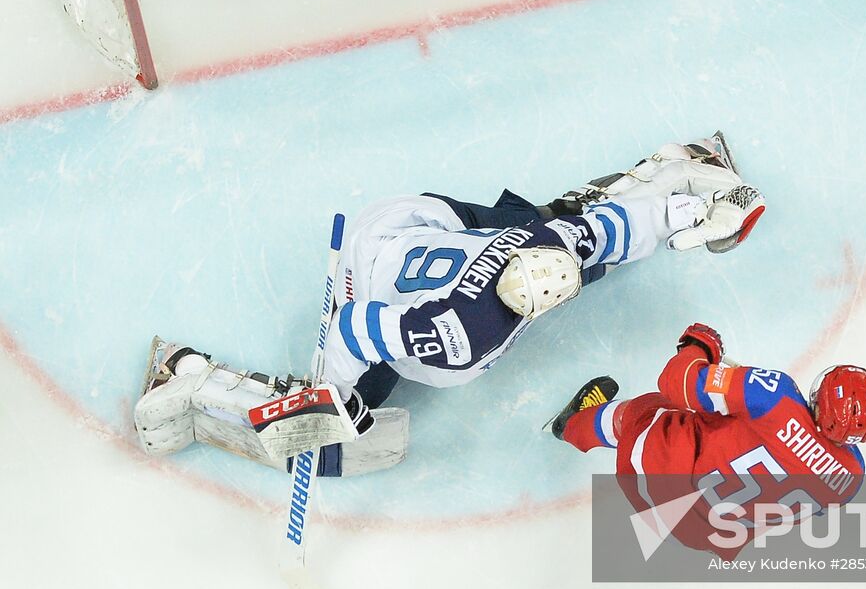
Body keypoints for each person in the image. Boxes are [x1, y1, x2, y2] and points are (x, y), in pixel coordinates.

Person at [133, 134, 765, 476]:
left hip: (430, 230)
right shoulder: (459, 337)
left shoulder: (550, 247)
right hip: (373, 260)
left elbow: (611, 232)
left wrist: (690, 210)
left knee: (556, 223)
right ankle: (188, 379)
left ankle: (671, 167)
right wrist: (333, 397)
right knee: (337, 422)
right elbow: (353, 329)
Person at [549, 323, 866, 557]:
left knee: (648, 410)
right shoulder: (850, 481)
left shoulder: (775, 396)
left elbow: (677, 381)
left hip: (657, 482)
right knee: (719, 427)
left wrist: (699, 345)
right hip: (699, 534)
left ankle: (572, 426)